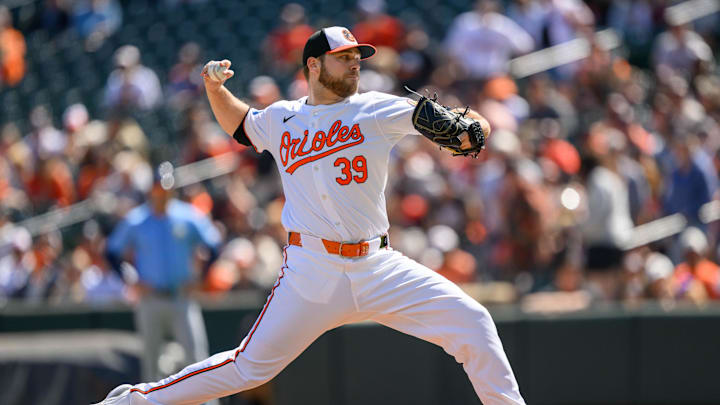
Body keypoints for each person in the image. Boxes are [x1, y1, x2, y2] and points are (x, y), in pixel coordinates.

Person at [95, 26, 525, 405]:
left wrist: (470, 129)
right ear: (314, 65)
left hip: (378, 265)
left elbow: (473, 129)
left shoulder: (376, 107)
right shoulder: (284, 118)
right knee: (248, 368)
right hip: (312, 270)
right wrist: (214, 89)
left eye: (358, 57)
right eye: (344, 58)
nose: (355, 64)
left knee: (473, 322)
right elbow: (242, 125)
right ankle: (134, 402)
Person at [104, 163, 222, 405]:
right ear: (151, 190)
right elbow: (111, 252)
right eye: (159, 188)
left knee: (198, 360)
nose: (162, 193)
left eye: (166, 188)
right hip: (151, 300)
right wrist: (131, 279)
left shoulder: (186, 215)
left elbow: (214, 245)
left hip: (181, 297)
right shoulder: (138, 219)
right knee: (151, 365)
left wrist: (200, 277)